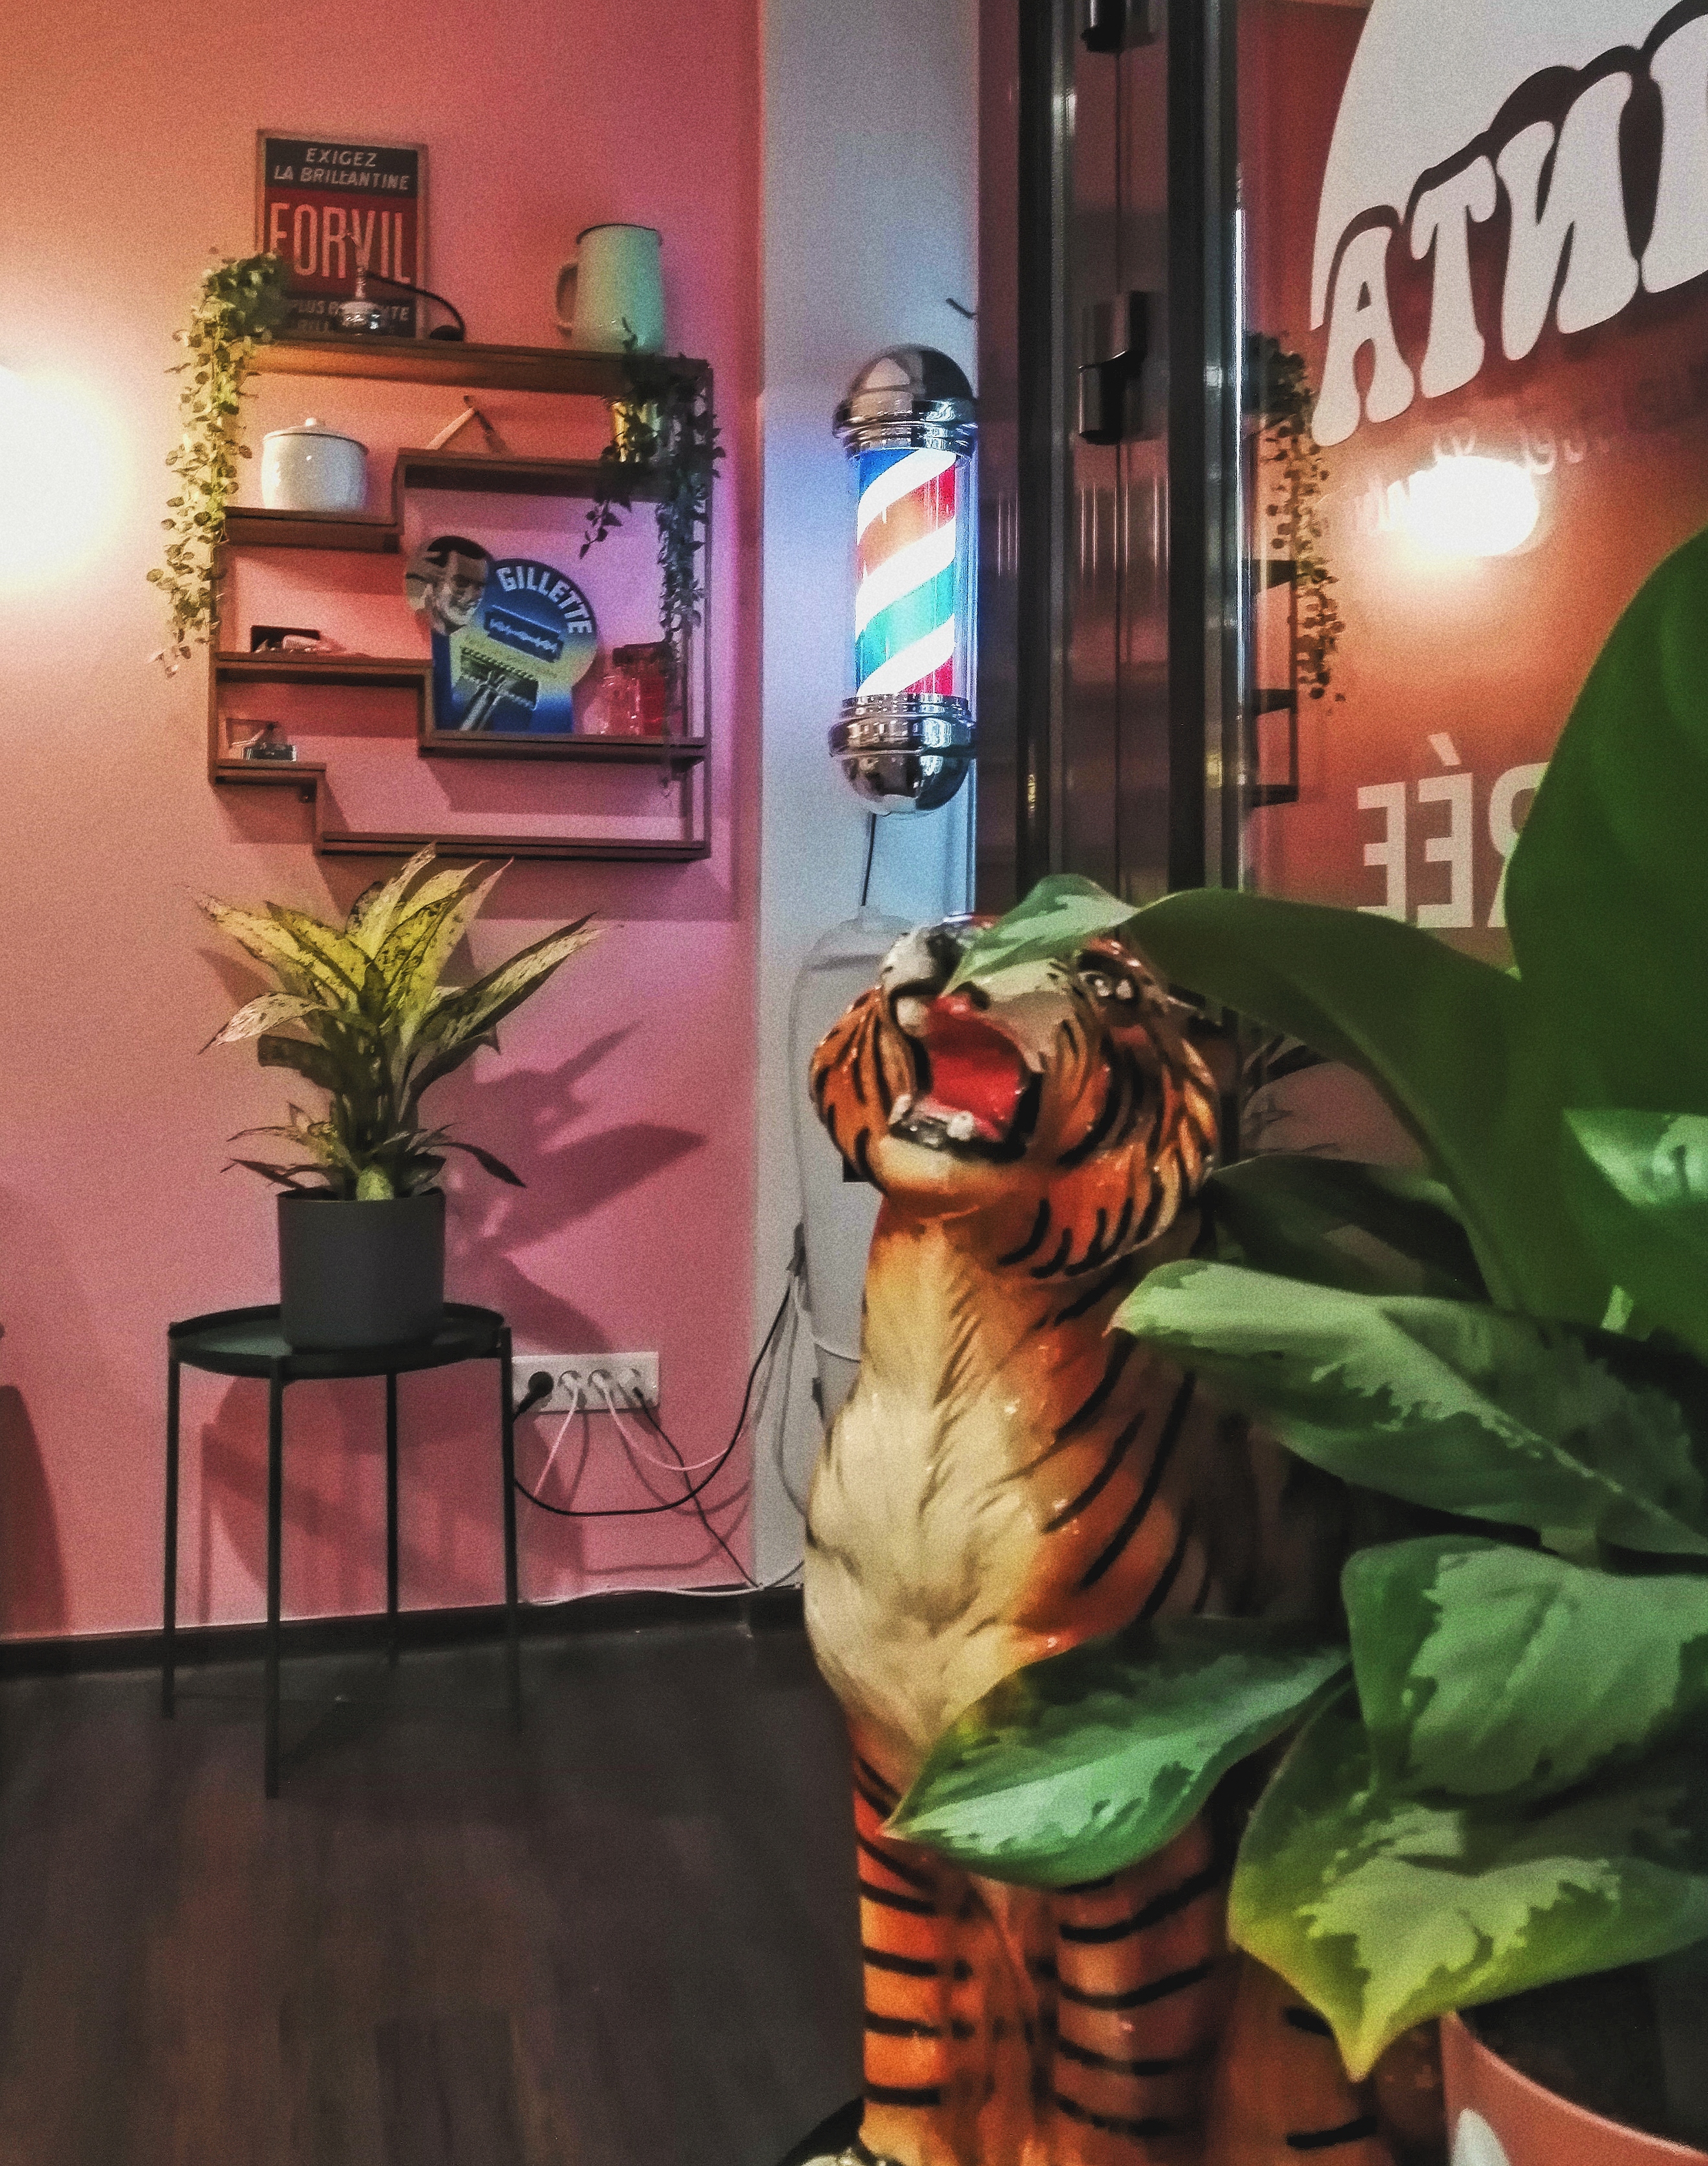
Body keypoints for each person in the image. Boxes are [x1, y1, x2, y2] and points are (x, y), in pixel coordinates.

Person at [405, 534, 490, 636]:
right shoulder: (413, 623)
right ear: (435, 584)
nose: (471, 596)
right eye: (461, 583)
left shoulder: (482, 631)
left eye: (479, 587)